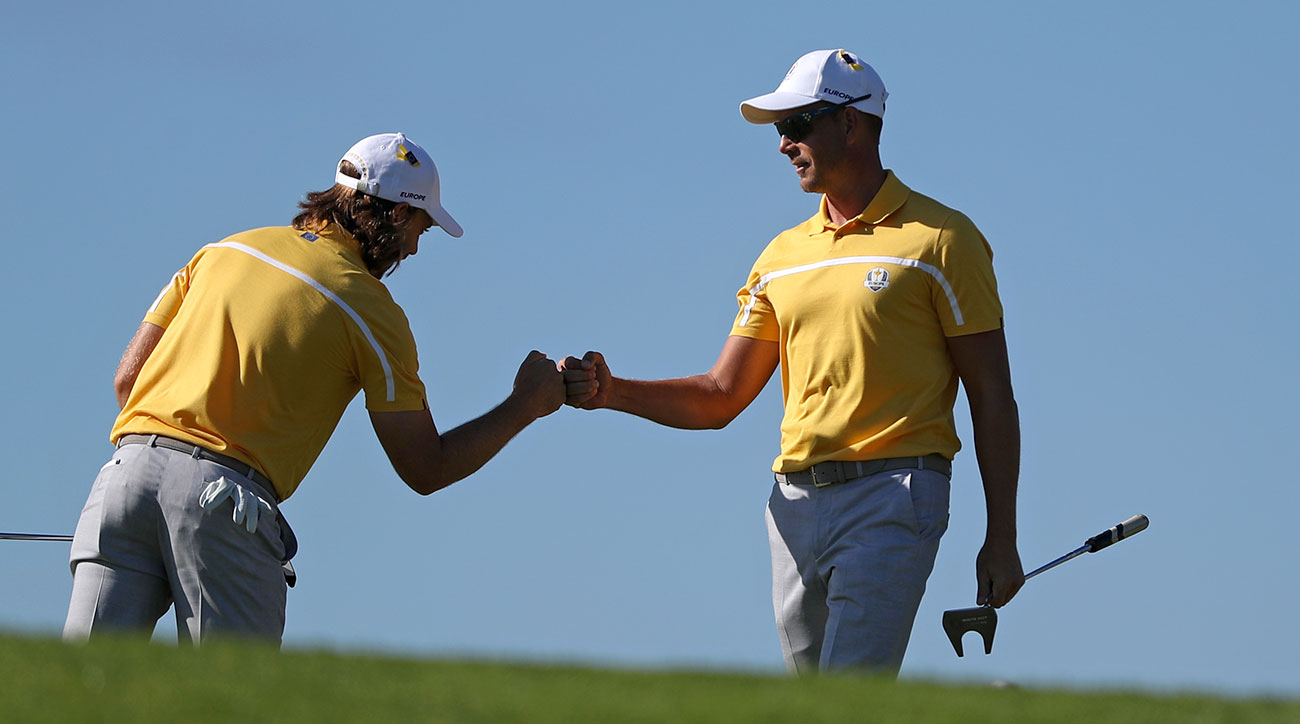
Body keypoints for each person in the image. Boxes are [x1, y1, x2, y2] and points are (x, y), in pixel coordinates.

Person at [562, 50, 1024, 676]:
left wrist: (1001, 536)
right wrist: (612, 391)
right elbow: (722, 393)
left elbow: (991, 395)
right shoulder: (780, 256)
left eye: (798, 124)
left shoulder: (943, 239)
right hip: (793, 507)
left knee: (849, 699)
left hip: (895, 497)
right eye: (781, 129)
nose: (783, 144)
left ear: (853, 124)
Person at [64, 132, 566, 645]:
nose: (416, 246)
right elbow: (425, 467)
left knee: (73, 697)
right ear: (394, 215)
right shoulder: (373, 310)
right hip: (224, 503)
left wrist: (163, 481)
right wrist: (526, 405)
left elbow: (129, 379)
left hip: (123, 479)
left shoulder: (224, 249)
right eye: (421, 226)